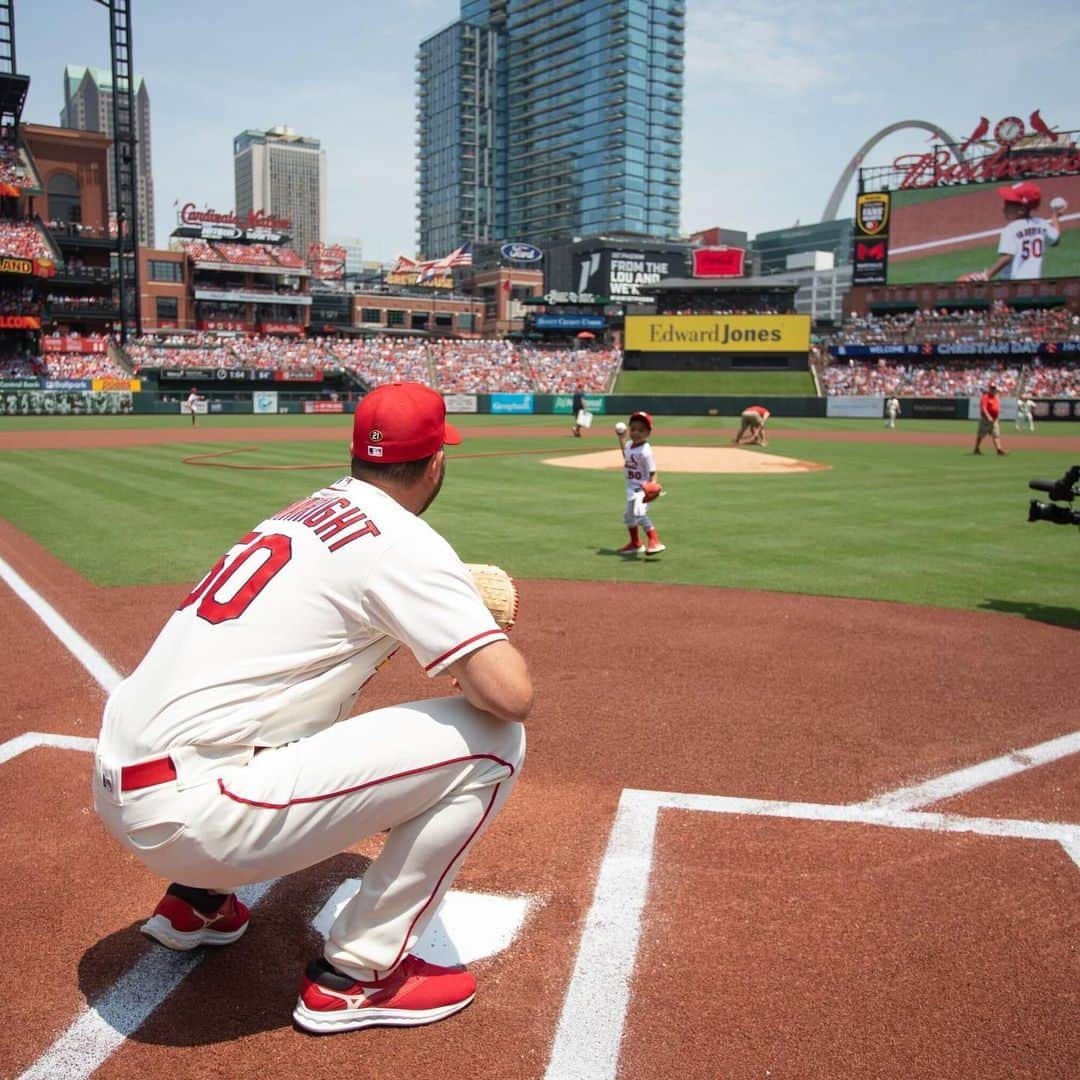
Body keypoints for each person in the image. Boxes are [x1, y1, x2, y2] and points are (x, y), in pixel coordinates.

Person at [92, 382, 533, 1035]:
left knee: (296, 687)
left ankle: (199, 904)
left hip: (117, 786)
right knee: (497, 742)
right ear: (436, 462)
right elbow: (509, 695)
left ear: (358, 455)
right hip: (197, 816)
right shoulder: (406, 542)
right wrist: (472, 621)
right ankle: (359, 976)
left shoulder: (301, 512)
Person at [961, 181, 1064, 282]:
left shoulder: (1010, 230)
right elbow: (1056, 240)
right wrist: (1055, 216)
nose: (1003, 206)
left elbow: (1007, 257)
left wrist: (986, 275)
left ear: (1022, 210)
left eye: (1008, 203)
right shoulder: (1042, 224)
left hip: (1012, 286)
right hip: (1034, 285)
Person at [614, 410, 665, 557]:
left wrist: (652, 486)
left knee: (639, 513)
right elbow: (626, 453)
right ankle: (635, 543)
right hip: (631, 489)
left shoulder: (646, 451)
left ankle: (655, 541)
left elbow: (653, 471)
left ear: (648, 433)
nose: (636, 433)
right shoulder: (630, 445)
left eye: (641, 430)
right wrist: (621, 438)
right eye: (633, 429)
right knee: (629, 517)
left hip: (643, 490)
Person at [973, 382, 1006, 455]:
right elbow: (983, 408)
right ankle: (976, 448)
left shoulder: (996, 397)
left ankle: (999, 449)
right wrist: (988, 416)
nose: (993, 389)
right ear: (989, 388)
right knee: (981, 435)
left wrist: (997, 418)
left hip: (994, 419)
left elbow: (997, 409)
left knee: (996, 435)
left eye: (994, 388)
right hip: (985, 420)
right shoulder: (985, 397)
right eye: (992, 388)